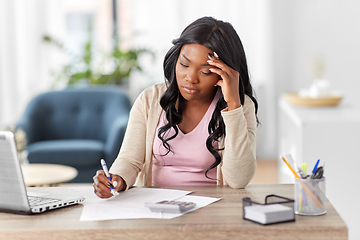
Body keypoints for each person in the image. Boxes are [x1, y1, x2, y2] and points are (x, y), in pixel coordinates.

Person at [93, 16, 259, 198]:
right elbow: (130, 160)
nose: (190, 78)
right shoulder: (150, 100)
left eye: (205, 71)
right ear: (175, 59)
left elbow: (238, 180)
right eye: (184, 64)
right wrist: (117, 179)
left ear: (226, 72)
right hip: (156, 207)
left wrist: (233, 106)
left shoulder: (241, 107)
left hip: (213, 209)